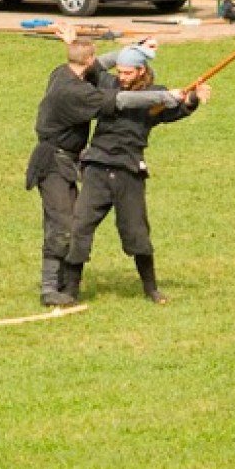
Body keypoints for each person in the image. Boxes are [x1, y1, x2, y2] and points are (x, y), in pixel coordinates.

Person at [26, 27, 180, 307]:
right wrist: (162, 96)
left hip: (67, 161)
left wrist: (136, 48)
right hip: (53, 162)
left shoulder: (62, 72)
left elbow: (100, 63)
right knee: (64, 224)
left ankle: (62, 285)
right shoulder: (78, 93)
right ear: (88, 60)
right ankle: (51, 289)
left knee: (72, 223)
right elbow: (120, 100)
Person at [63, 43, 208, 304]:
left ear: (141, 71)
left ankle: (151, 289)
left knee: (136, 231)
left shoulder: (156, 94)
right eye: (120, 71)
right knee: (80, 226)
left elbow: (178, 110)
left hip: (129, 170)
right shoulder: (107, 84)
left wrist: (193, 98)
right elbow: (89, 68)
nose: (122, 77)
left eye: (128, 73)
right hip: (97, 166)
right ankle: (70, 291)